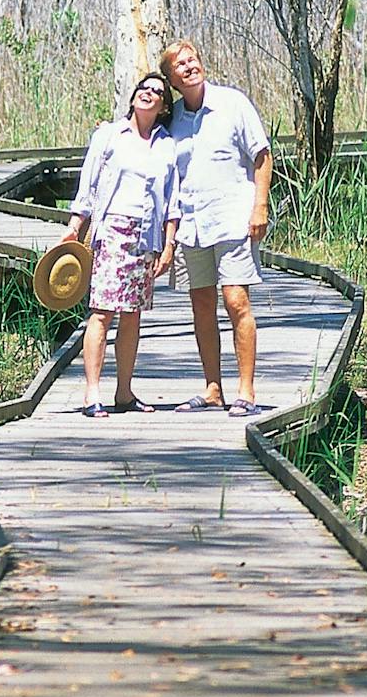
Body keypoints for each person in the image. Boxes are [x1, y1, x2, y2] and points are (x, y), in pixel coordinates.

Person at [160, 40, 273, 416]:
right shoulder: (172, 117)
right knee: (202, 304)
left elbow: (261, 154)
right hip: (192, 223)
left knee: (235, 300)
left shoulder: (232, 103)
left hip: (232, 218)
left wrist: (260, 206)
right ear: (172, 79)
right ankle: (213, 389)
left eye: (192, 58)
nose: (189, 66)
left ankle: (246, 391)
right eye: (180, 65)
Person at [61, 74, 180, 417]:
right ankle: (91, 393)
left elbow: (172, 200)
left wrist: (169, 244)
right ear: (133, 97)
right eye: (144, 88)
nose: (149, 93)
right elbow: (89, 185)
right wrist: (74, 227)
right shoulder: (109, 135)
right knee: (102, 311)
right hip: (112, 230)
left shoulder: (165, 144)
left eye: (158, 92)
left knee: (133, 315)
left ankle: (124, 392)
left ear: (163, 106)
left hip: (147, 236)